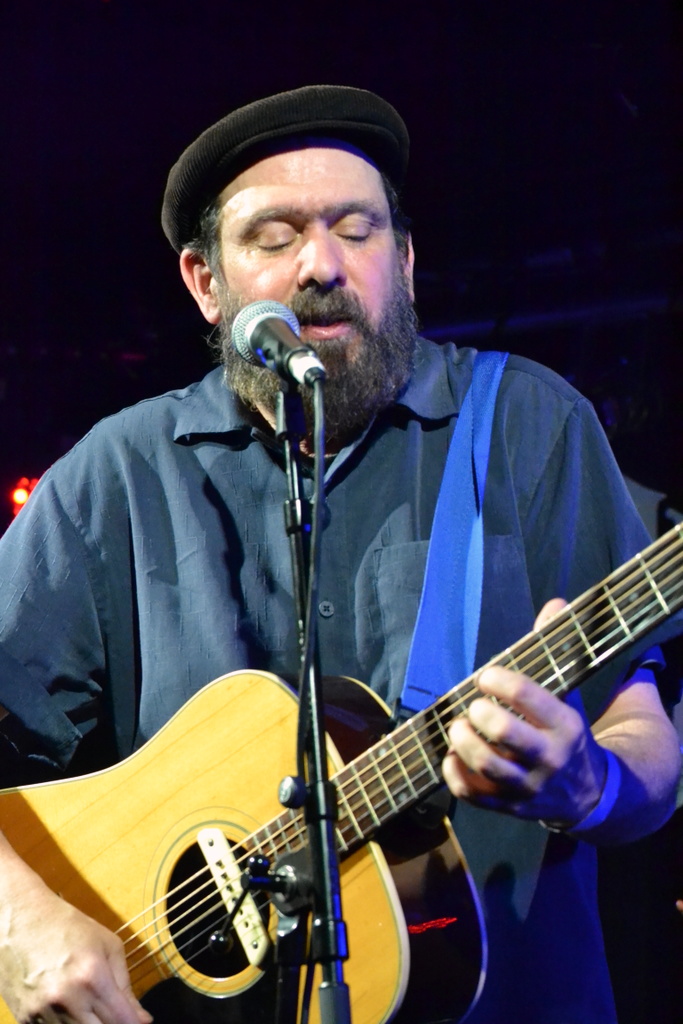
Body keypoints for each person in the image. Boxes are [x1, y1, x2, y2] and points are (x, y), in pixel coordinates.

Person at [0, 84, 680, 1024]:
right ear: (206, 283)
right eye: (273, 237)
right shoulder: (116, 474)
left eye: (357, 230)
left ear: (404, 260)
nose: (321, 264)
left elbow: (645, 744)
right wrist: (22, 924)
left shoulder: (530, 423)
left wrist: (588, 786)